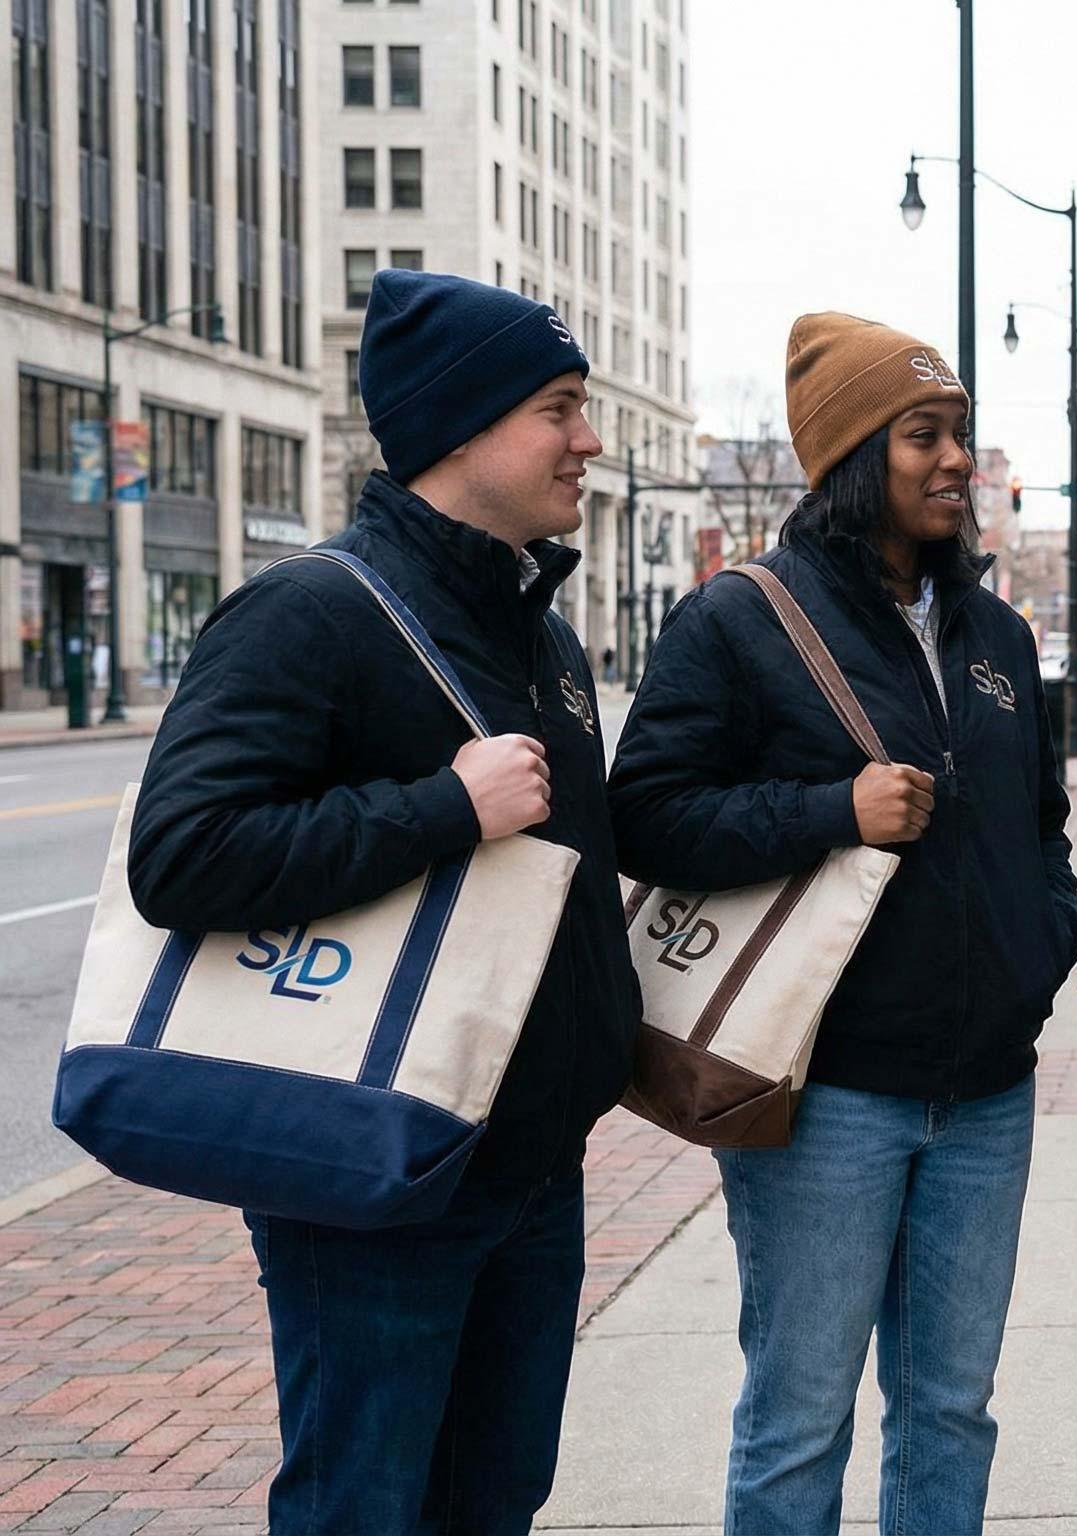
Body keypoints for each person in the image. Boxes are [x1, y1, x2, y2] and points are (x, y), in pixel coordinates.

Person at [127, 270, 634, 1533]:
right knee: (363, 1507)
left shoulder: (538, 632)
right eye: (559, 409)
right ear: (460, 428)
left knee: (495, 1501)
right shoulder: (309, 612)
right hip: (374, 1170)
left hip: (530, 1165)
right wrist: (442, 807)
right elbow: (182, 854)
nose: (589, 440)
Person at [607, 313, 1077, 1536]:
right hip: (827, 1099)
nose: (955, 460)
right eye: (923, 435)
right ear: (852, 457)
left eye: (960, 433)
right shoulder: (738, 619)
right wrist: (832, 811)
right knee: (799, 1416)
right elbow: (645, 816)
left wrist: (1041, 949)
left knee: (951, 1411)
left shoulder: (998, 635)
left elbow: (1040, 824)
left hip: (987, 1091)